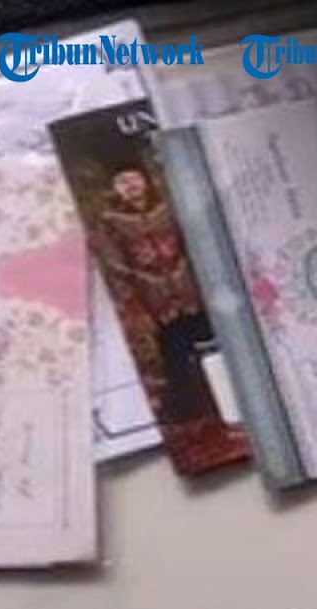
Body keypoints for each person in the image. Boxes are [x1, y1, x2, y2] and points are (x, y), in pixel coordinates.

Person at [97, 165, 216, 423]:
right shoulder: (110, 222)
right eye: (122, 181)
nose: (130, 185)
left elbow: (193, 240)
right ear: (115, 189)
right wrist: (139, 299)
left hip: (191, 290)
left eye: (134, 177)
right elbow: (116, 266)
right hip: (156, 300)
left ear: (146, 180)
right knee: (174, 355)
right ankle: (188, 411)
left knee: (211, 344)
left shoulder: (169, 206)